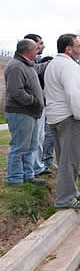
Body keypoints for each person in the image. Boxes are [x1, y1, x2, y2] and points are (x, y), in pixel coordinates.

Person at [45, 33, 80, 209]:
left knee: (65, 157)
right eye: (78, 46)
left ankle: (71, 192)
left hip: (56, 117)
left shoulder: (53, 64)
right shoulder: (68, 66)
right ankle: (65, 199)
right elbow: (73, 92)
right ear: (69, 48)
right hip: (70, 118)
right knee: (69, 159)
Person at [4, 39, 49, 185]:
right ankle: (15, 178)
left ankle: (28, 175)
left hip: (31, 112)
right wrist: (34, 102)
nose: (39, 50)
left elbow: (39, 68)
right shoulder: (16, 66)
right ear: (28, 51)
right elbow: (16, 91)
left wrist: (55, 62)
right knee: (19, 146)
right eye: (36, 48)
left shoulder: (28, 65)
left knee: (31, 145)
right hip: (21, 112)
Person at [24, 34, 55, 177]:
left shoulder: (33, 63)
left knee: (40, 137)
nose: (42, 46)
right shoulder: (23, 64)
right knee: (30, 140)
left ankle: (37, 166)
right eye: (40, 43)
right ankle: (28, 170)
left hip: (40, 105)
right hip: (31, 107)